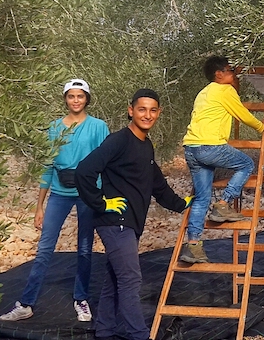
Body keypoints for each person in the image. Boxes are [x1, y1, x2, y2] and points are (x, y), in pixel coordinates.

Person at [75, 89, 190, 340]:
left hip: (129, 224)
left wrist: (183, 204)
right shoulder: (120, 141)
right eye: (141, 109)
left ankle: (104, 331)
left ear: (158, 113)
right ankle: (139, 335)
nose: (147, 115)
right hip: (115, 223)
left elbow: (157, 184)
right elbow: (84, 171)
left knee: (114, 280)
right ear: (131, 110)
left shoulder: (145, 146)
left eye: (152, 110)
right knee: (130, 279)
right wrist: (101, 204)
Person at [0, 79, 109, 323]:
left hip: (88, 193)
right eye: (71, 96)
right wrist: (39, 206)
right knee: (45, 248)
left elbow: (106, 162)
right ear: (65, 99)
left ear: (87, 99)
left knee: (84, 248)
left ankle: (81, 299)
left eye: (80, 96)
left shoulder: (99, 127)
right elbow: (47, 166)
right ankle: (27, 303)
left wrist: (106, 199)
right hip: (60, 192)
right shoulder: (54, 128)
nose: (76, 100)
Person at [179, 56, 264, 264]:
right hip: (210, 145)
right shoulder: (225, 90)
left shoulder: (204, 92)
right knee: (246, 164)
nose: (234, 74)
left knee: (201, 199)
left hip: (191, 148)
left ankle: (193, 245)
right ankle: (224, 203)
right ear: (218, 74)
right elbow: (242, 114)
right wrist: (261, 126)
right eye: (230, 71)